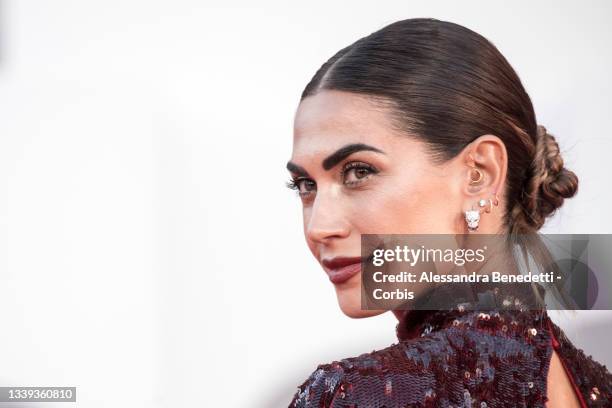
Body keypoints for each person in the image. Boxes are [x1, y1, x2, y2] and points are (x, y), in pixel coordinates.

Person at [285, 18, 611, 407]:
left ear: (480, 174)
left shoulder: (355, 394)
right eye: (306, 186)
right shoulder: (598, 389)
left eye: (358, 172)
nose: (320, 227)